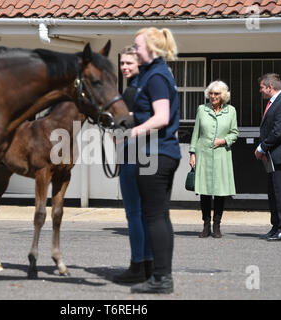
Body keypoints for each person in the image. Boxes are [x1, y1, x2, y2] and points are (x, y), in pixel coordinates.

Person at [128, 27, 181, 294]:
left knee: (155, 217)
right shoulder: (157, 73)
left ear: (152, 48)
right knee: (160, 217)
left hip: (156, 154)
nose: (134, 50)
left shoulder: (157, 75)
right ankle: (162, 277)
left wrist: (131, 132)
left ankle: (161, 279)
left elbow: (161, 117)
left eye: (137, 46)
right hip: (163, 153)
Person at [113, 46, 154, 284]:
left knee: (134, 213)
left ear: (139, 63)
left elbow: (127, 126)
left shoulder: (133, 91)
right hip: (148, 156)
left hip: (133, 155)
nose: (125, 67)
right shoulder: (148, 86)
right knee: (145, 213)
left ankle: (137, 264)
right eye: (122, 63)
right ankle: (147, 264)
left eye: (129, 63)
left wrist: (117, 129)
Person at [189, 81, 238, 238]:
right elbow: (196, 133)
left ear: (223, 95)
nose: (213, 96)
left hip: (222, 155)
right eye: (211, 93)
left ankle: (217, 225)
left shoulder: (231, 111)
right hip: (203, 153)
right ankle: (205, 225)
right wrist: (192, 153)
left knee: (220, 192)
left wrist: (223, 140)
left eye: (216, 93)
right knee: (204, 192)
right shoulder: (202, 110)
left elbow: (234, 133)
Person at [255, 73, 281, 241]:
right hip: (273, 157)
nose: (261, 91)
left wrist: (262, 147)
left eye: (262, 88)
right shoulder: (275, 103)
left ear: (270, 87)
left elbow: (279, 131)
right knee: (273, 194)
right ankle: (276, 226)